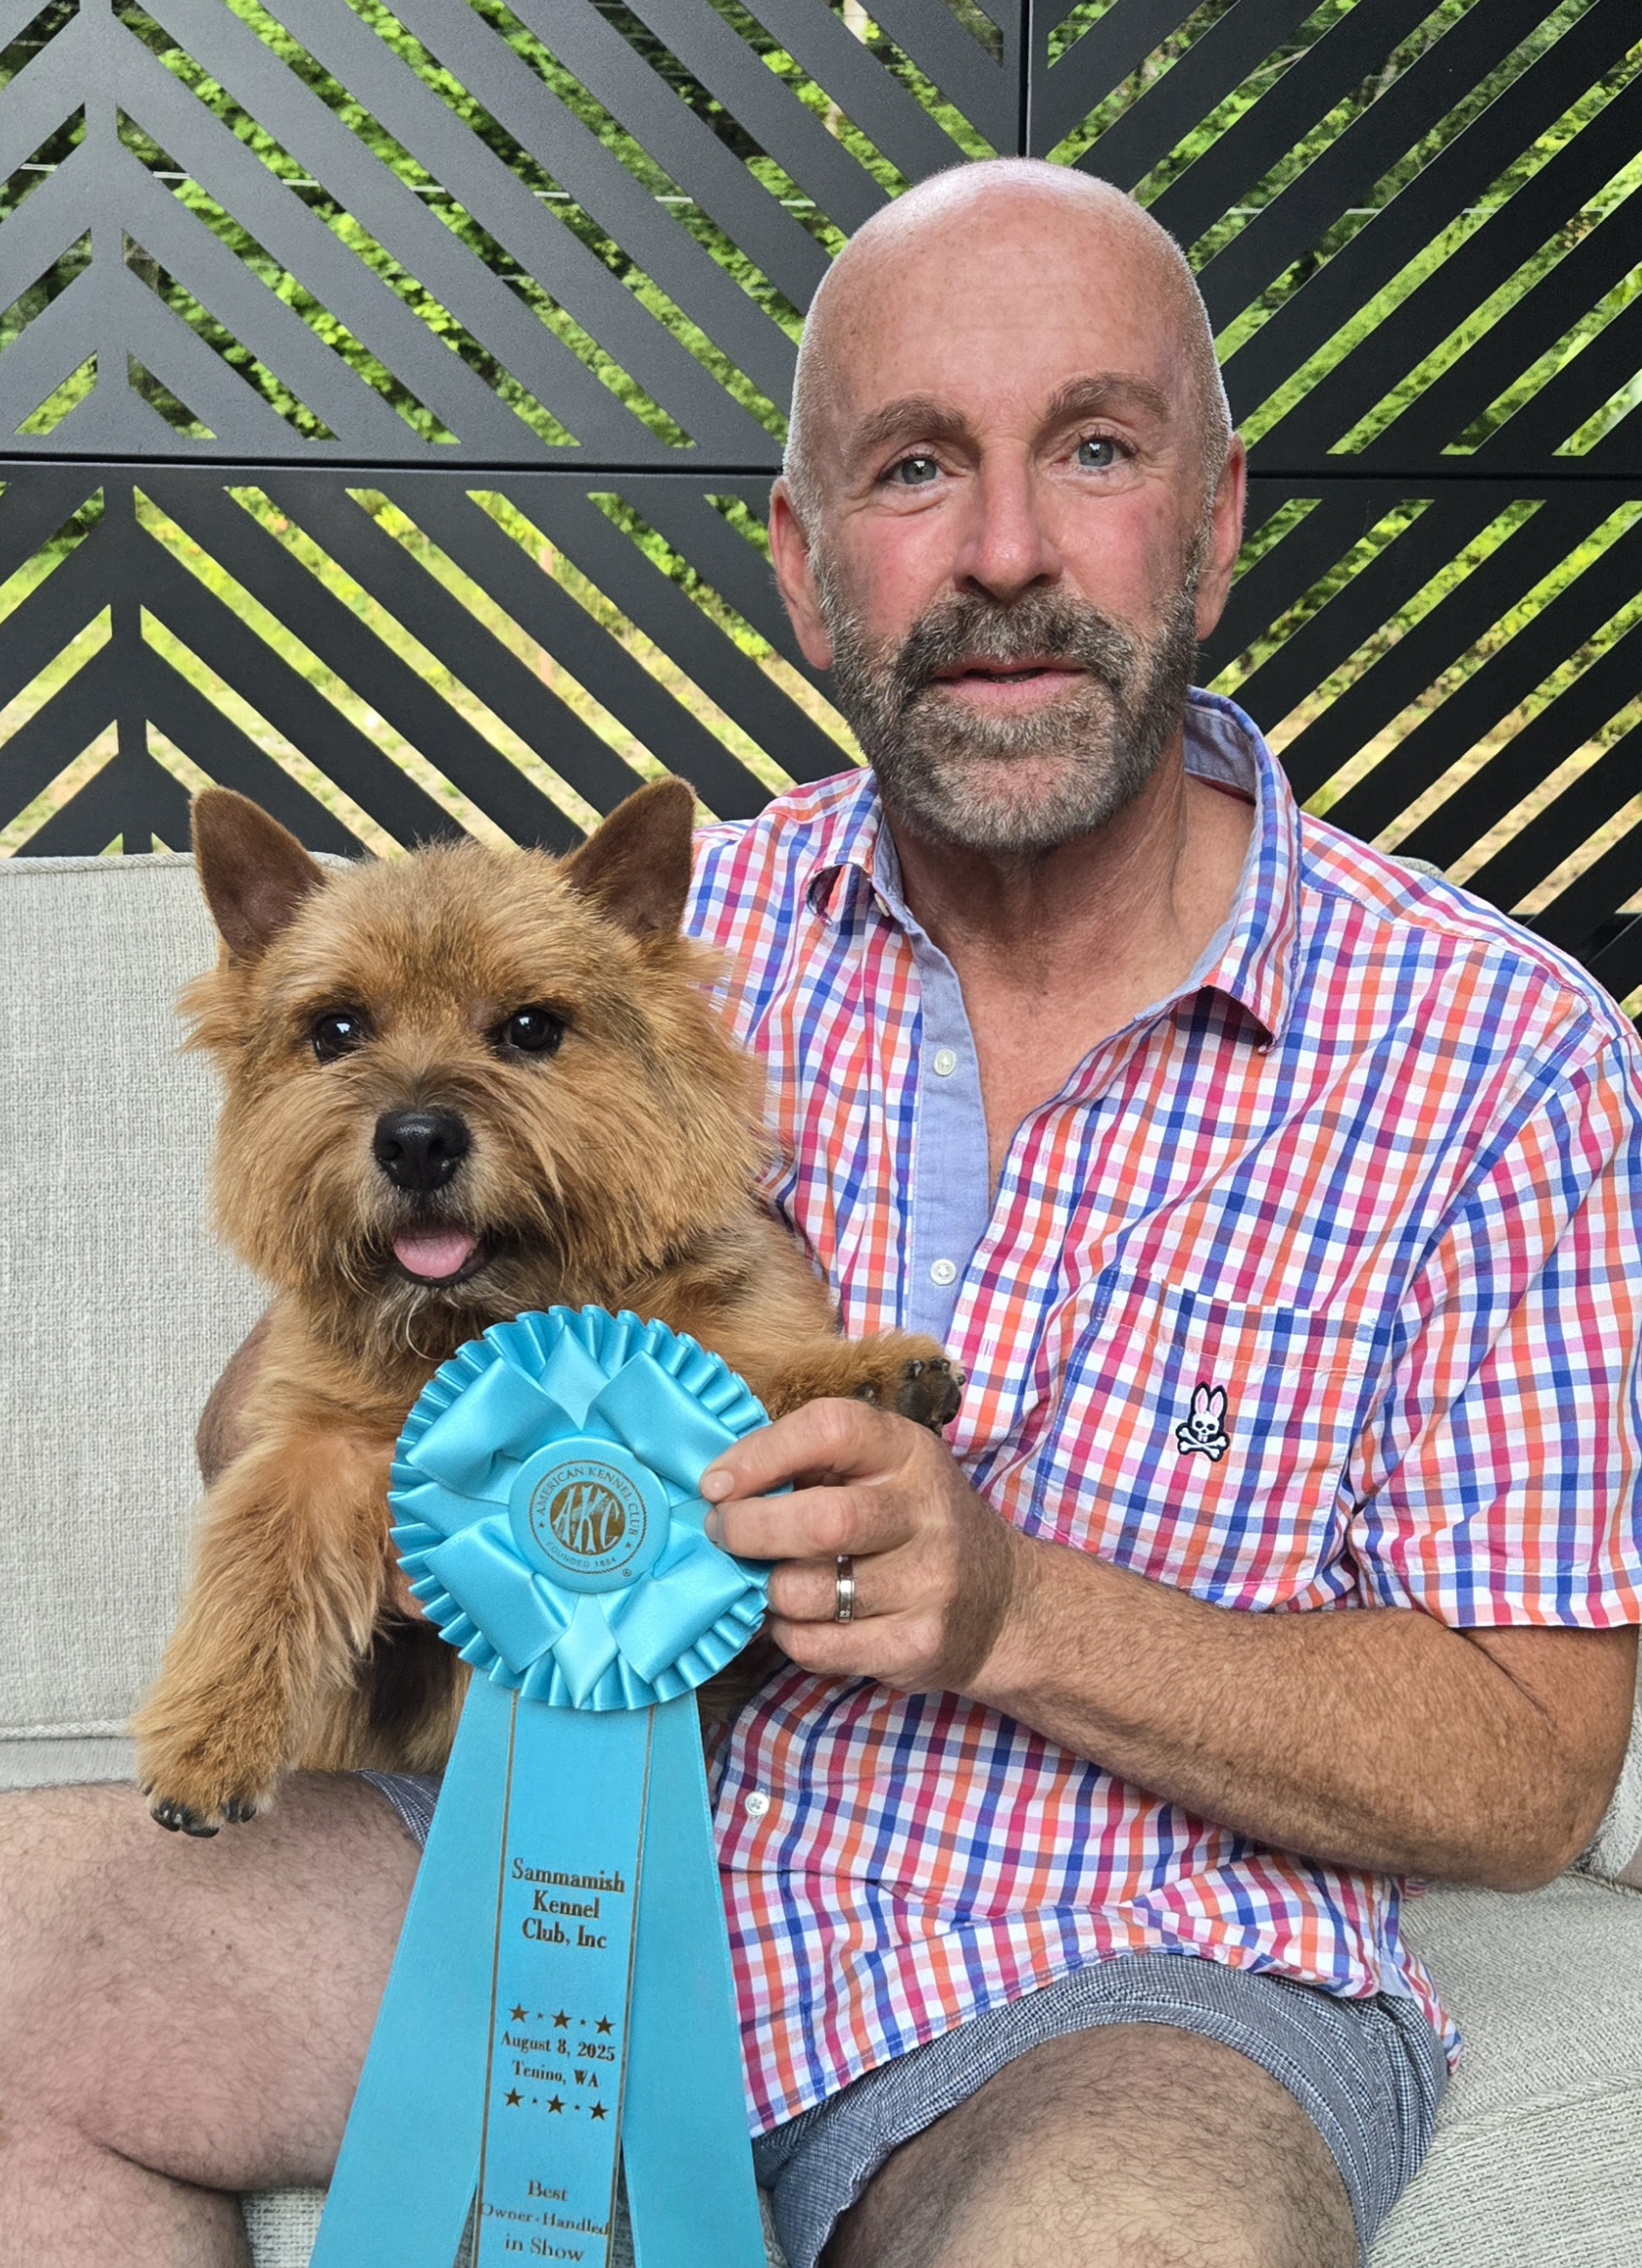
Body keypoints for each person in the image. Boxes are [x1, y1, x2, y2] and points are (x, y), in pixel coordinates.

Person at [3, 160, 1639, 2268]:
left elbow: (1526, 1771)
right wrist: (425, 1432)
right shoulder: (648, 940)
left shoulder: (1498, 1055)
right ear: (801, 559)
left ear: (1216, 517)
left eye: (1096, 448)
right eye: (912, 466)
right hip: (507, 1866)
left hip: (1104, 1962)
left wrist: (1014, 1610)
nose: (1005, 551)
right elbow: (272, 1411)